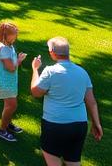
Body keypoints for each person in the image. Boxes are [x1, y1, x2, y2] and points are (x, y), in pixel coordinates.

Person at [31, 37, 103, 165]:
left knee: (53, 161)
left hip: (55, 125)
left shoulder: (50, 71)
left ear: (52, 52)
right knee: (73, 161)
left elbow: (36, 92)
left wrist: (35, 69)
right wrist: (96, 123)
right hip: (79, 126)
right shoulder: (82, 72)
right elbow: (91, 102)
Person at [0, 21, 27, 142]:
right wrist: (19, 60)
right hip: (4, 82)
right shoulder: (4, 49)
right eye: (14, 34)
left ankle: (8, 123)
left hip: (8, 81)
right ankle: (2, 129)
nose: (16, 37)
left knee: (10, 104)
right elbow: (11, 68)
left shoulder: (8, 46)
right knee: (12, 105)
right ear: (5, 35)